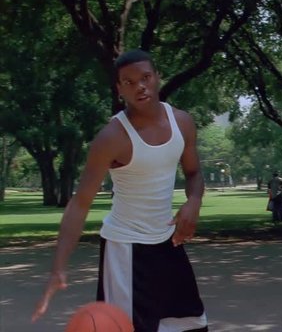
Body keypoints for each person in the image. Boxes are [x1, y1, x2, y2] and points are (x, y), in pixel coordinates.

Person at [32, 49, 208, 331]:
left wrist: (194, 201)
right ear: (119, 89)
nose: (140, 86)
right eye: (129, 82)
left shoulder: (182, 122)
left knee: (189, 324)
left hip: (168, 243)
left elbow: (193, 173)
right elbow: (80, 203)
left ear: (157, 77)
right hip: (126, 249)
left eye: (145, 77)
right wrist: (58, 268)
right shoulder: (112, 137)